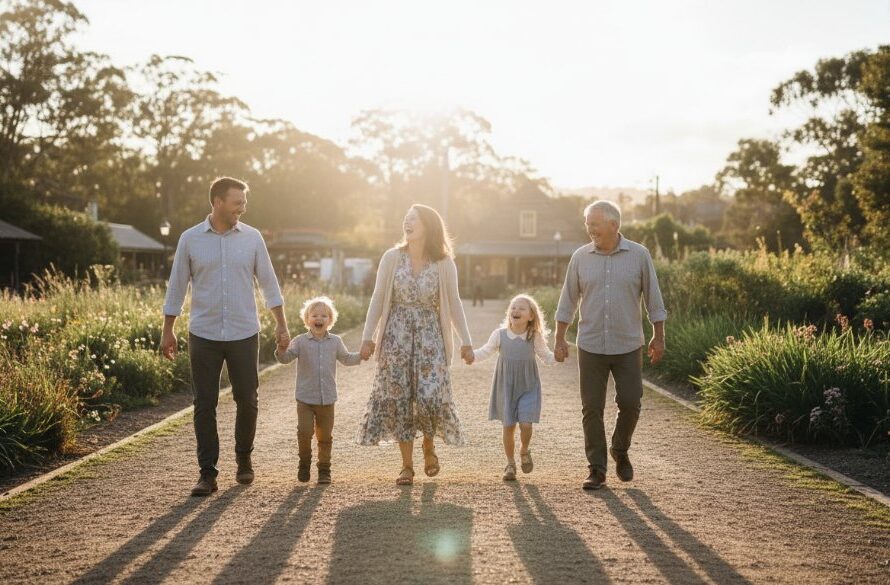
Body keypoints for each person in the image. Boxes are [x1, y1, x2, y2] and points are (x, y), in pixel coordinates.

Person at [160, 176, 290, 497]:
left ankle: (243, 458)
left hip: (244, 332)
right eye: (237, 203)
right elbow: (176, 287)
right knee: (204, 403)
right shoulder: (190, 240)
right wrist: (168, 329)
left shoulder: (252, 238)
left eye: (244, 203)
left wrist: (282, 325)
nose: (242, 209)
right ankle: (207, 473)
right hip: (203, 333)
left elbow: (269, 284)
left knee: (247, 399)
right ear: (217, 202)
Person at [357, 204, 474, 485]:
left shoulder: (444, 263)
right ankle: (406, 466)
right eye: (406, 218)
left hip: (430, 336)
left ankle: (429, 446)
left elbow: (454, 304)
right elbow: (377, 298)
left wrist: (466, 342)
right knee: (399, 400)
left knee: (430, 396)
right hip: (396, 336)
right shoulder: (391, 258)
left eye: (414, 219)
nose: (407, 223)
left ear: (428, 226)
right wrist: (367, 337)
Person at [554, 200, 666, 491]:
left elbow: (653, 297)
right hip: (591, 345)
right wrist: (559, 337)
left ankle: (620, 448)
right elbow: (568, 299)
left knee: (630, 402)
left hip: (628, 344)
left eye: (595, 224)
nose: (590, 229)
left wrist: (659, 335)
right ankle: (597, 468)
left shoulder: (639, 255)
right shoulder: (580, 257)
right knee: (591, 408)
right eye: (588, 224)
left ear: (614, 225)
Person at [275, 296, 363, 484]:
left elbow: (346, 358)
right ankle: (304, 463)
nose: (319, 318)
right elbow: (285, 359)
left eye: (324, 315)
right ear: (307, 319)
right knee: (305, 432)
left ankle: (324, 470)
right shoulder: (300, 341)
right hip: (305, 399)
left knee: (325, 436)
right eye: (315, 315)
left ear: (330, 320)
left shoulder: (335, 342)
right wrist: (281, 348)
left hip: (327, 399)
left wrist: (361, 355)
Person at [471, 294, 556, 481]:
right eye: (513, 307)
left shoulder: (534, 336)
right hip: (506, 386)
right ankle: (510, 463)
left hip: (528, 385)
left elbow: (546, 356)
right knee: (508, 426)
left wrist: (557, 355)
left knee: (526, 424)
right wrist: (472, 355)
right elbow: (485, 351)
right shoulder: (499, 335)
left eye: (521, 308)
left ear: (531, 316)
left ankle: (524, 450)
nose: (516, 311)